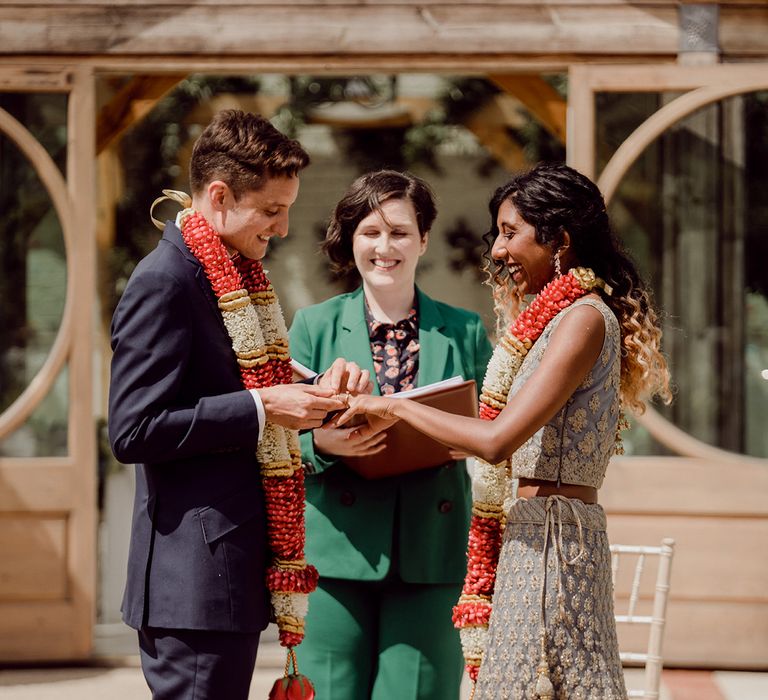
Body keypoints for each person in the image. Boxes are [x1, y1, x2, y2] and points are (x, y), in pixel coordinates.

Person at [336, 162, 672, 700]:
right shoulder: (556, 318)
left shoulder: (584, 318)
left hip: (556, 544)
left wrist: (391, 405)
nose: (496, 250)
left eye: (511, 233)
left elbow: (496, 441)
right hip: (533, 534)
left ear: (559, 238)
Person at [107, 109, 369, 700]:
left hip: (224, 576)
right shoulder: (166, 281)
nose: (280, 229)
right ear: (219, 196)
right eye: (271, 211)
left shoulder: (227, 273)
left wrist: (317, 391)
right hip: (191, 586)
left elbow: (234, 379)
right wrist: (261, 407)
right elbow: (132, 430)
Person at [288, 170, 493, 700]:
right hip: (335, 549)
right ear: (351, 240)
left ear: (424, 239)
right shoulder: (313, 326)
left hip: (433, 549)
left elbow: (497, 425)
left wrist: (465, 435)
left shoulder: (465, 329)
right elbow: (273, 432)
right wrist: (321, 444)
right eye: (369, 232)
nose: (385, 247)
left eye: (400, 232)